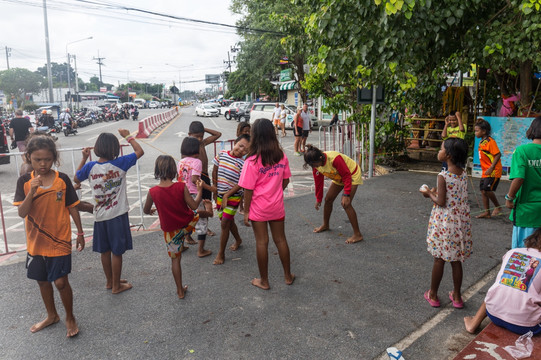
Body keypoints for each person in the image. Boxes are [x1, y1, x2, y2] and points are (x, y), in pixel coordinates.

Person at [13, 134, 84, 337]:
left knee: (61, 282)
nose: (43, 164)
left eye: (47, 159)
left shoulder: (62, 180)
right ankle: (52, 315)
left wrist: (79, 232)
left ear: (54, 158)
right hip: (36, 242)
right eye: (37, 159)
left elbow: (72, 207)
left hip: (60, 240)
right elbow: (22, 212)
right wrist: (31, 192)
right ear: (28, 158)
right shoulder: (25, 182)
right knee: (42, 281)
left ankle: (70, 316)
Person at [74, 129, 144, 294]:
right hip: (117, 216)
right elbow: (139, 151)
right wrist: (128, 135)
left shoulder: (90, 166)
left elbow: (76, 178)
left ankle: (110, 281)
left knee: (105, 251)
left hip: (99, 216)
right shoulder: (120, 163)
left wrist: (84, 158)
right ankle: (116, 286)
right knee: (117, 252)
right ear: (115, 149)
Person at [239, 118, 294, 290]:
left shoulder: (252, 161)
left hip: (258, 208)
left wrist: (246, 211)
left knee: (262, 242)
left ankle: (264, 281)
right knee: (281, 240)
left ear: (254, 135)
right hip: (276, 206)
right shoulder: (281, 156)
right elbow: (286, 180)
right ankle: (287, 276)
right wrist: (275, 191)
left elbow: (248, 189)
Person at [143, 155, 204, 299]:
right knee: (198, 213)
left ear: (157, 170)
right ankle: (187, 239)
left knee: (175, 260)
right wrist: (200, 190)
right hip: (187, 225)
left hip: (171, 232)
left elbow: (146, 210)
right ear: (173, 170)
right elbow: (194, 205)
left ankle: (180, 290)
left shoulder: (152, 192)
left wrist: (152, 210)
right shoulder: (181, 186)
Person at [420, 138, 471, 308]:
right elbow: (454, 196)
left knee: (439, 259)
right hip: (459, 223)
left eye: (441, 148)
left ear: (448, 155)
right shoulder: (463, 173)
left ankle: (433, 294)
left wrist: (428, 193)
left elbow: (441, 202)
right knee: (456, 260)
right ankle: (457, 296)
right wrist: (436, 193)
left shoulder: (443, 175)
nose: (438, 151)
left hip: (445, 223)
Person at [464, 228, 541, 335]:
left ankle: (473, 323)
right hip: (526, 326)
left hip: (493, 313)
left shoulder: (513, 252)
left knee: (499, 288)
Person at [303, 145, 364, 244]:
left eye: (315, 164)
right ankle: (325, 225)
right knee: (328, 199)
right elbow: (318, 183)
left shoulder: (334, 159)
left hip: (351, 174)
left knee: (346, 204)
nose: (314, 167)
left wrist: (346, 194)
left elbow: (346, 175)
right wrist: (318, 199)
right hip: (338, 176)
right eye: (312, 165)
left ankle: (358, 235)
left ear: (320, 158)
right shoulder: (316, 166)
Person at [212, 134, 250, 265]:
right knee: (227, 222)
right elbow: (215, 170)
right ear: (236, 142)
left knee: (224, 224)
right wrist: (214, 188)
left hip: (233, 196)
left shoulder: (243, 163)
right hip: (220, 195)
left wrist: (228, 194)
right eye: (240, 146)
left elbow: (241, 183)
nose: (241, 150)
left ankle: (220, 254)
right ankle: (238, 240)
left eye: (245, 150)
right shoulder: (222, 154)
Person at [505, 116, 541, 249]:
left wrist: (509, 197)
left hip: (526, 212)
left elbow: (519, 178)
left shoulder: (522, 151)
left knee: (524, 253)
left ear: (532, 130)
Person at [177, 137, 213, 257]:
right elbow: (194, 179)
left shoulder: (180, 161)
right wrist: (208, 188)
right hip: (193, 194)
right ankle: (200, 250)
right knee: (201, 221)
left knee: (183, 220)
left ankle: (181, 246)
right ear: (196, 150)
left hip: (181, 194)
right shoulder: (197, 162)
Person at [188, 121, 221, 237]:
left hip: (205, 176)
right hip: (196, 178)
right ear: (189, 134)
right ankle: (188, 233)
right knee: (196, 206)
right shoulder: (189, 148)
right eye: (196, 136)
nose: (199, 138)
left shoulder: (202, 143)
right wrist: (210, 188)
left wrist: (203, 128)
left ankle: (205, 228)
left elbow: (218, 134)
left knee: (207, 204)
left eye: (201, 136)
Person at [474, 119, 503, 219]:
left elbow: (498, 154)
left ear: (484, 131)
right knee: (483, 190)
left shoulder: (490, 142)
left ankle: (498, 207)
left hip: (493, 171)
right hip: (485, 171)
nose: (475, 133)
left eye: (477, 130)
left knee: (487, 189)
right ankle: (487, 213)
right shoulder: (482, 142)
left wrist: (491, 167)